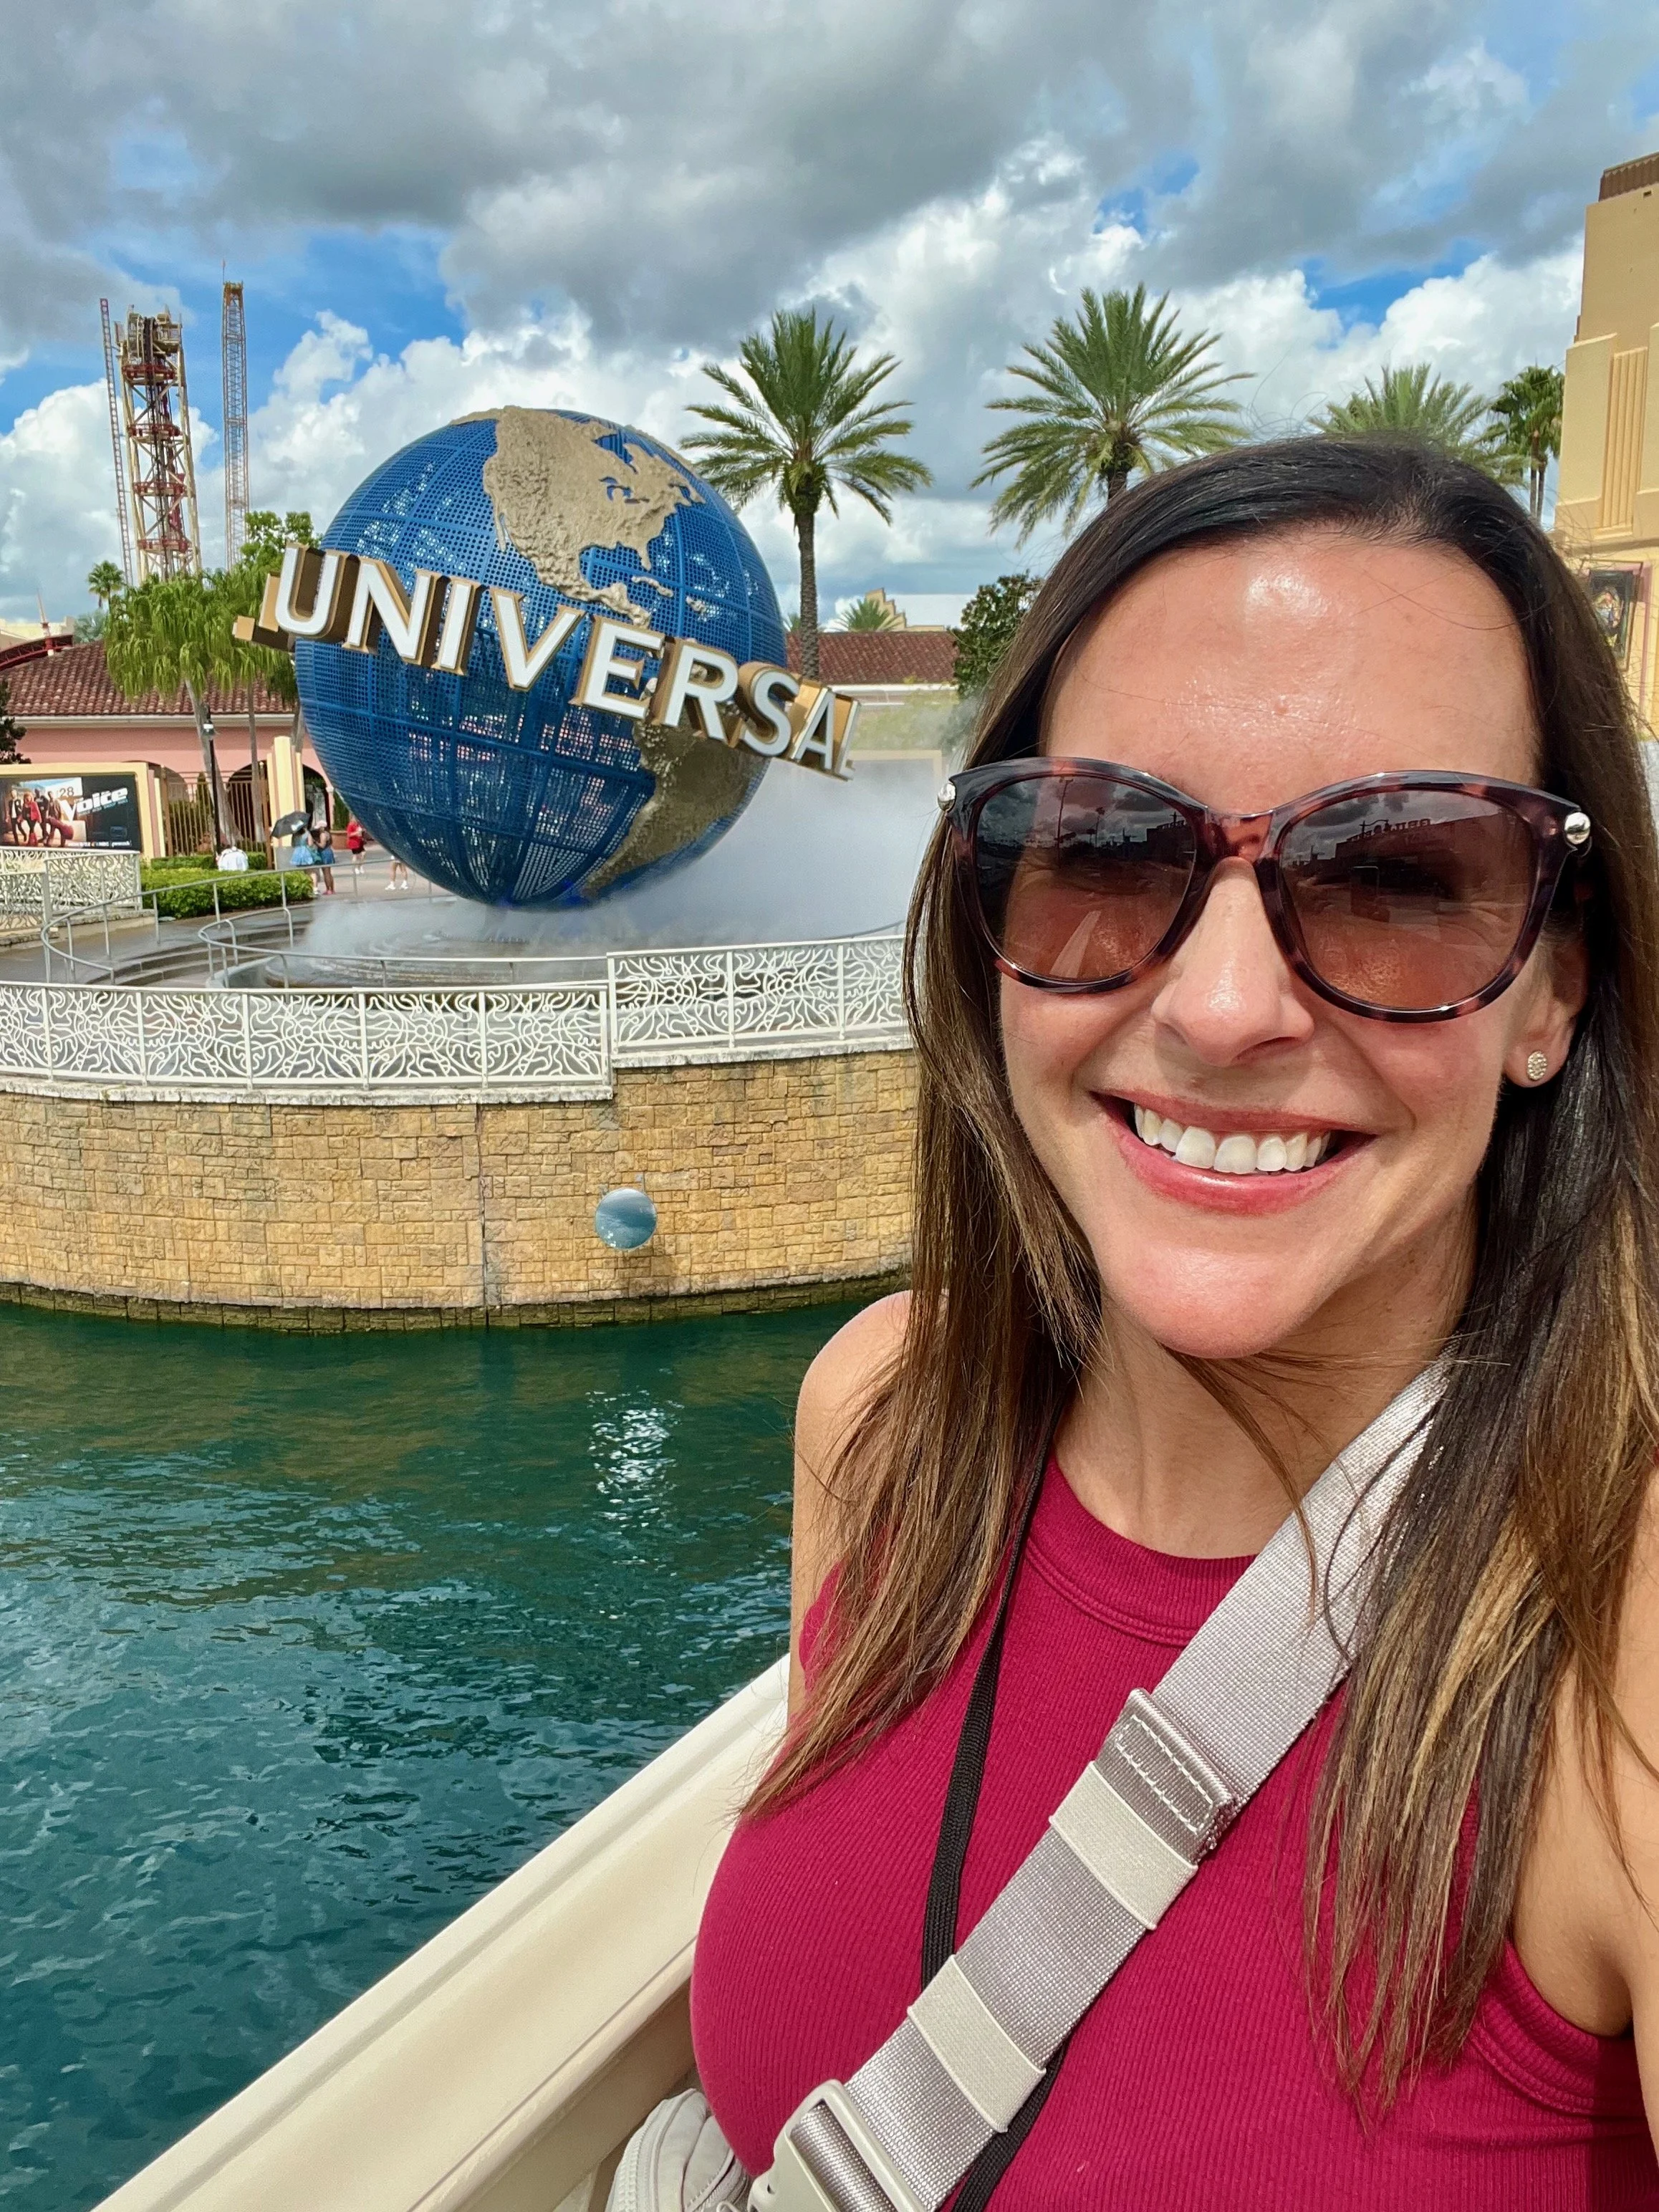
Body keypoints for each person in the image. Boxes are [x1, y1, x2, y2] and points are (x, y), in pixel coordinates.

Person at [691, 438, 1659, 2203]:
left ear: (1553, 984)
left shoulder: (1616, 1638)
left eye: (1392, 873)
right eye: (1103, 851)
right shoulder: (886, 1420)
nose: (1219, 1008)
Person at [312, 820, 336, 894]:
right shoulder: (328, 834)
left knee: (326, 873)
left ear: (322, 827)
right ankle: (332, 889)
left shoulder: (323, 835)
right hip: (328, 852)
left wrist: (315, 842)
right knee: (328, 872)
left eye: (319, 827)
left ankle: (329, 889)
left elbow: (322, 845)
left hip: (324, 853)